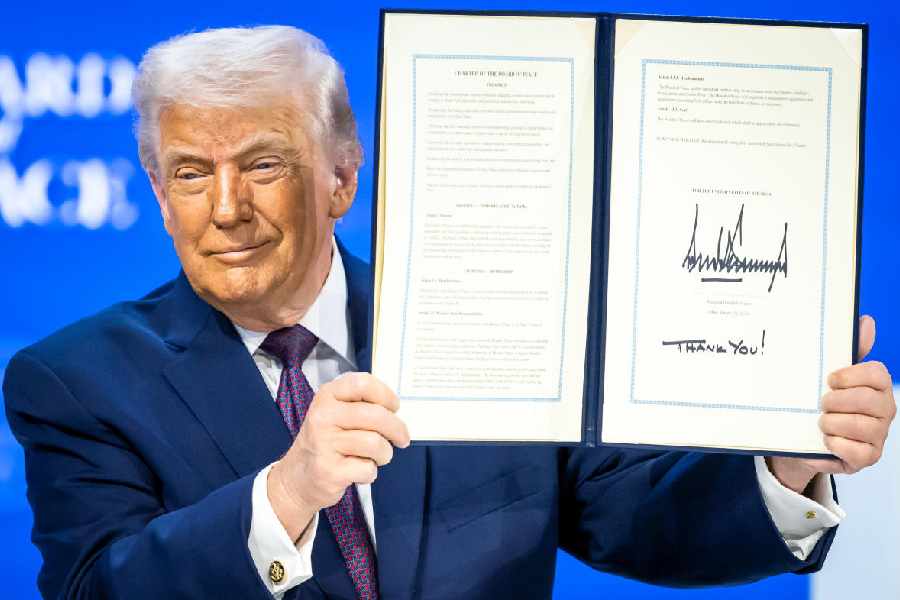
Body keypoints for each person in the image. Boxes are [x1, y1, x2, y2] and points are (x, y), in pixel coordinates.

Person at [3, 26, 894, 600]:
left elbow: (624, 514)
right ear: (159, 192)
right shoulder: (76, 381)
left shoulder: (485, 315)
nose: (225, 207)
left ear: (343, 177)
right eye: (191, 173)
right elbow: (95, 589)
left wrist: (783, 464)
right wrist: (287, 494)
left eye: (264, 165)